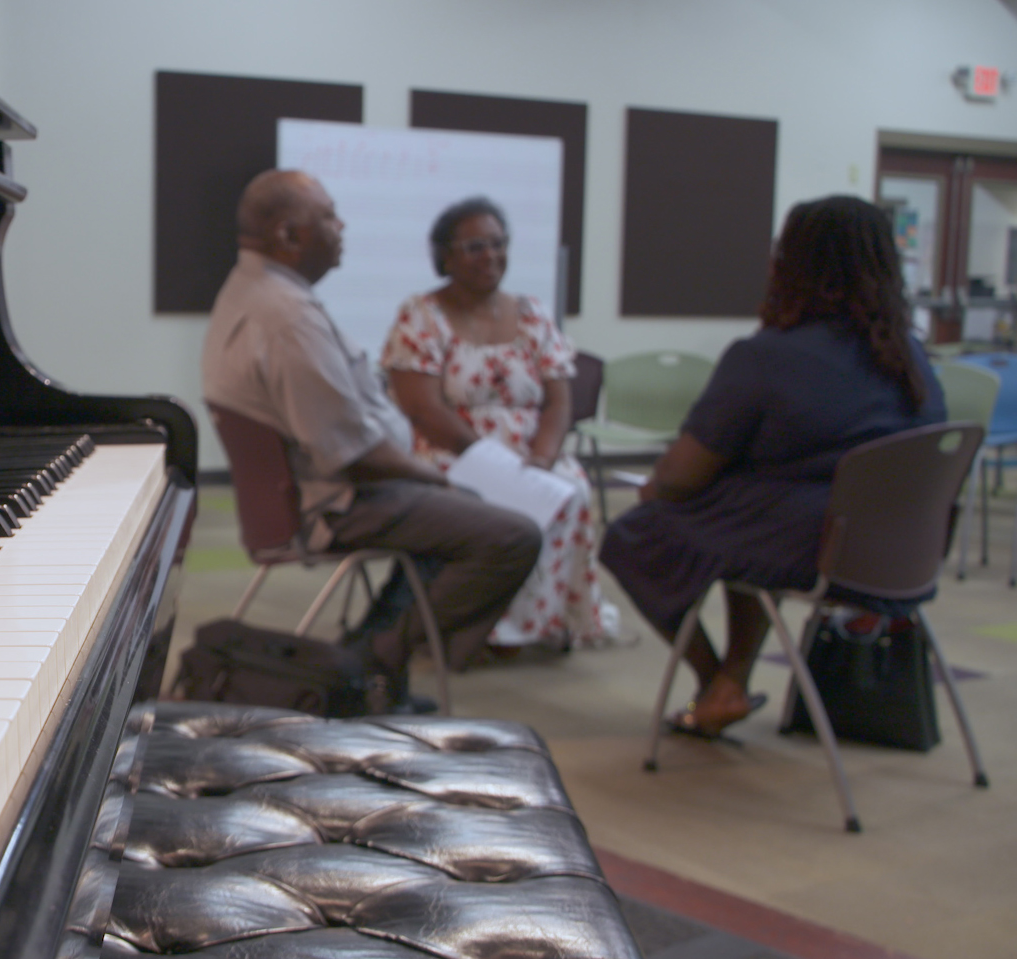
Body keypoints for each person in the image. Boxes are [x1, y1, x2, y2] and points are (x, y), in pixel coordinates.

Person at [599, 195, 946, 738]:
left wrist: (655, 490)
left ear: (794, 263)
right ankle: (730, 683)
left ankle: (718, 680)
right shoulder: (908, 356)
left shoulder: (768, 356)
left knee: (634, 534)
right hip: (898, 552)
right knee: (742, 524)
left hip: (815, 545)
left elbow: (679, 475)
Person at [202, 170, 541, 699]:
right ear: (290, 236)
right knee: (511, 536)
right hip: (338, 501)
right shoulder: (287, 316)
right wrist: (432, 477)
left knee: (454, 521)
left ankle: (367, 659)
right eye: (330, 216)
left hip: (321, 491)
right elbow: (351, 453)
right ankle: (375, 659)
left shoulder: (254, 291)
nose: (342, 226)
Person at [382, 196, 618, 650]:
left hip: (532, 450)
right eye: (474, 247)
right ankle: (475, 629)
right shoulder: (420, 316)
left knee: (570, 489)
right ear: (445, 256)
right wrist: (492, 462)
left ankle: (539, 625)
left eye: (497, 244)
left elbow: (557, 402)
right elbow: (423, 409)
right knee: (488, 499)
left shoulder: (532, 314)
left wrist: (542, 457)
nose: (490, 256)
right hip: (453, 451)